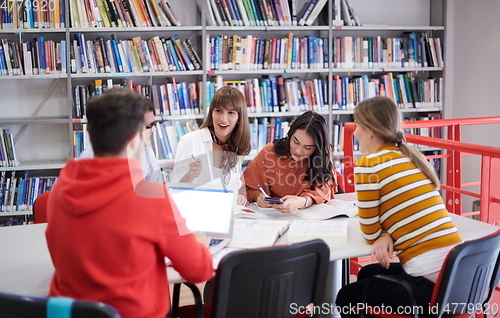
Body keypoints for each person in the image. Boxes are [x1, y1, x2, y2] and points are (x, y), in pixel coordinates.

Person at [45, 88, 213, 318]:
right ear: (134, 141)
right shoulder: (151, 198)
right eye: (146, 130)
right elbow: (199, 270)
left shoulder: (59, 192)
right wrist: (199, 244)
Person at [335, 96, 463, 317]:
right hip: (459, 278)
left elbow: (369, 231)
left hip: (429, 289)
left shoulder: (368, 164)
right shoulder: (409, 156)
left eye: (357, 126)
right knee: (367, 272)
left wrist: (382, 234)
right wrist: (386, 234)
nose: (354, 133)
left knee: (345, 296)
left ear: (370, 131)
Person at [243, 111, 341, 213]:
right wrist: (258, 196)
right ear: (290, 134)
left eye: (307, 148)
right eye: (295, 141)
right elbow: (248, 186)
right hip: (272, 216)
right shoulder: (270, 152)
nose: (298, 151)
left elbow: (324, 191)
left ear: (317, 148)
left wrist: (301, 202)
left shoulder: (322, 157)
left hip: (308, 218)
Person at [171, 86, 251, 205]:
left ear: (239, 118)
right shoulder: (190, 141)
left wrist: (240, 197)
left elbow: (235, 186)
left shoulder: (237, 145)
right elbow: (174, 191)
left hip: (227, 214)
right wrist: (190, 176)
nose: (223, 119)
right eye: (218, 111)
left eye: (231, 113)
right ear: (211, 113)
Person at [79, 102, 164, 184]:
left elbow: (157, 188)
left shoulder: (146, 149)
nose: (154, 129)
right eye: (150, 125)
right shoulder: (91, 159)